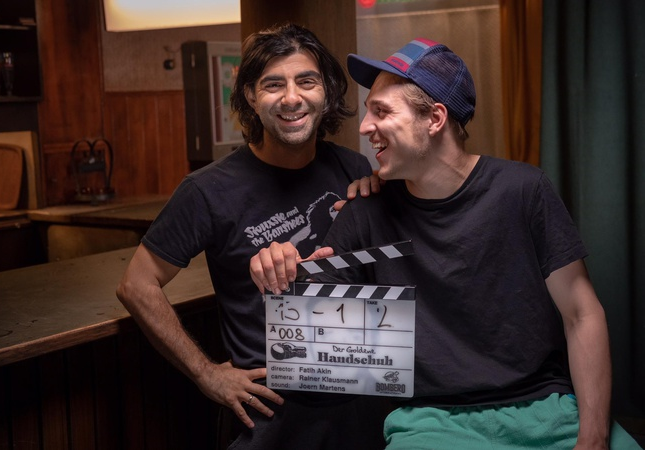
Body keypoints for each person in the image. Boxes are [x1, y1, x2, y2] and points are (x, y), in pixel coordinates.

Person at [250, 38, 643, 449]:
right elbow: (313, 344)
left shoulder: (523, 191)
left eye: (381, 111)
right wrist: (281, 273)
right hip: (429, 420)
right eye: (368, 111)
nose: (365, 127)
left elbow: (582, 314)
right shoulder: (364, 212)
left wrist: (593, 437)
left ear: (435, 118)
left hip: (546, 407)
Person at [116, 23, 392, 450]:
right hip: (274, 414)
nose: (291, 98)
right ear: (249, 95)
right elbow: (136, 285)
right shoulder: (207, 190)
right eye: (273, 85)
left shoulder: (354, 168)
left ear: (326, 91)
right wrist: (207, 373)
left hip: (361, 397)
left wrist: (380, 205)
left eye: (307, 81)